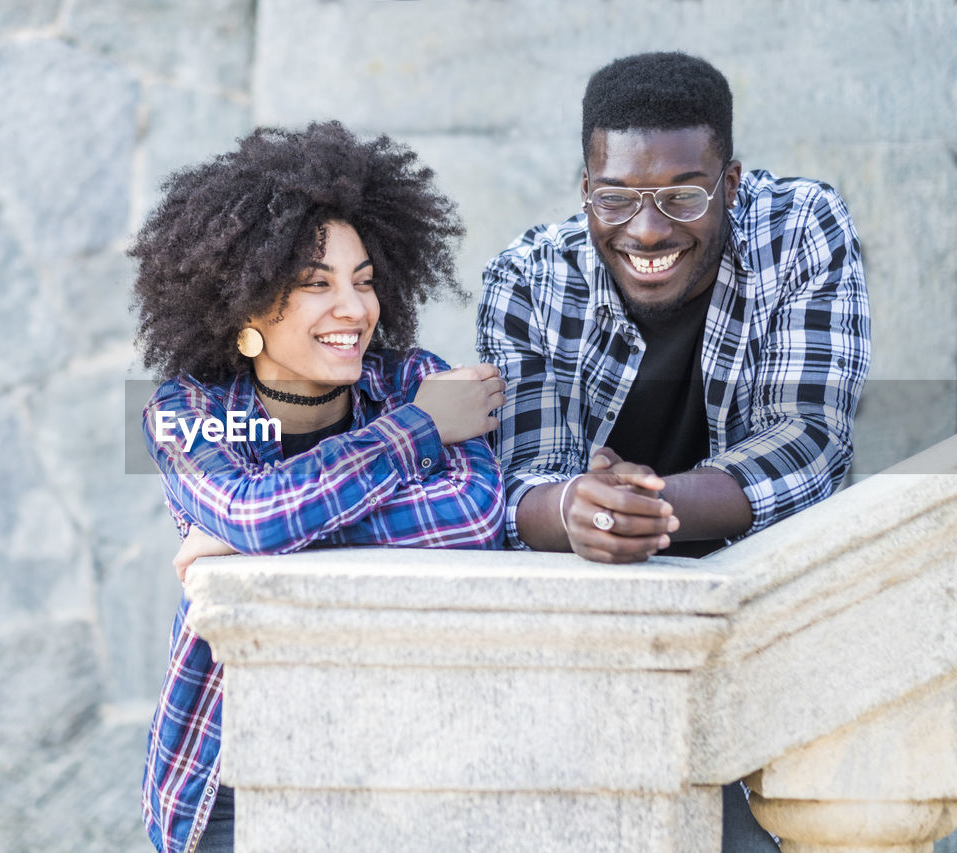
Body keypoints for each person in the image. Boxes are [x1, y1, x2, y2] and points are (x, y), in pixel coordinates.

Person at [476, 52, 871, 849]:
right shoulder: (525, 277)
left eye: (683, 195)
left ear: (729, 182)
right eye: (614, 197)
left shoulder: (800, 227)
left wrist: (640, 508)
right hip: (596, 654)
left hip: (777, 627)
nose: (648, 228)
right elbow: (518, 484)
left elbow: (811, 441)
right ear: (585, 187)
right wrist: (574, 508)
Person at [133, 120, 506, 853]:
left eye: (364, 282)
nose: (354, 309)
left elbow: (476, 513)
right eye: (315, 285)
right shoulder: (184, 410)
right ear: (244, 305)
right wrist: (420, 431)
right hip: (229, 770)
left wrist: (252, 543)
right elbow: (258, 512)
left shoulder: (408, 379)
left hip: (405, 768)